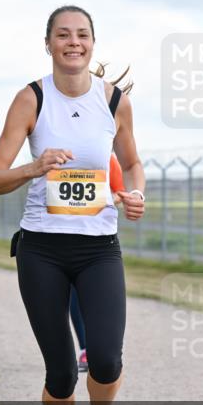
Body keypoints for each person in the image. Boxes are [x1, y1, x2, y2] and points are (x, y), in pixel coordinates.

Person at [0, 5, 146, 405]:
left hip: (100, 249)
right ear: (48, 43)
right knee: (59, 369)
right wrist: (35, 168)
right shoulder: (31, 98)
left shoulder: (114, 100)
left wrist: (135, 192)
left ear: (93, 43)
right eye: (63, 35)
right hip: (43, 251)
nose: (73, 42)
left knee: (107, 359)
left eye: (82, 35)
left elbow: (132, 162)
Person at [71, 153, 126, 371]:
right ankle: (85, 349)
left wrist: (101, 199)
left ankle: (100, 349)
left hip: (96, 239)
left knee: (98, 299)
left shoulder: (105, 154)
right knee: (73, 297)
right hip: (58, 237)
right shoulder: (54, 150)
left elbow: (120, 192)